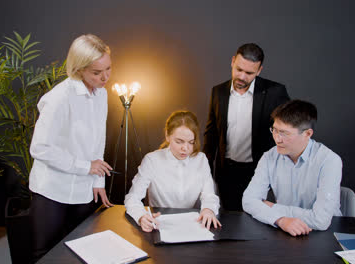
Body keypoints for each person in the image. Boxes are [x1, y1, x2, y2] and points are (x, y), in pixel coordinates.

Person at [28, 34, 115, 262]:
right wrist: (86, 167)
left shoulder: (102, 94)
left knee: (81, 249)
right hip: (52, 189)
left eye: (108, 68)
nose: (105, 77)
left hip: (84, 187)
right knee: (45, 253)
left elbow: (99, 139)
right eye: (97, 73)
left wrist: (98, 180)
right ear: (79, 70)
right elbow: (40, 148)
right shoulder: (58, 98)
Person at [203, 43, 290, 211]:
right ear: (233, 61)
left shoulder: (275, 92)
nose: (242, 76)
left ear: (259, 70)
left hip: (259, 171)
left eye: (249, 73)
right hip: (226, 170)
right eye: (238, 69)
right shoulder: (218, 92)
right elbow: (211, 132)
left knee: (256, 221)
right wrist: (205, 169)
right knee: (228, 219)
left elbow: (288, 130)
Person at [242, 100, 342, 236]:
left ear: (307, 134)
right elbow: (248, 201)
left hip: (327, 235)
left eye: (284, 133)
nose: (277, 139)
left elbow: (321, 221)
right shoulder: (269, 157)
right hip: (286, 231)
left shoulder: (329, 161)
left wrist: (271, 207)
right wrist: (281, 220)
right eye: (275, 130)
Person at [125, 110, 221, 232]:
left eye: (191, 142)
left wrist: (208, 209)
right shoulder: (152, 160)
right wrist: (141, 216)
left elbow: (209, 195)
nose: (185, 148)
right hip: (160, 224)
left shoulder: (201, 159)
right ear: (167, 136)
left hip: (190, 225)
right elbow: (132, 197)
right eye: (179, 141)